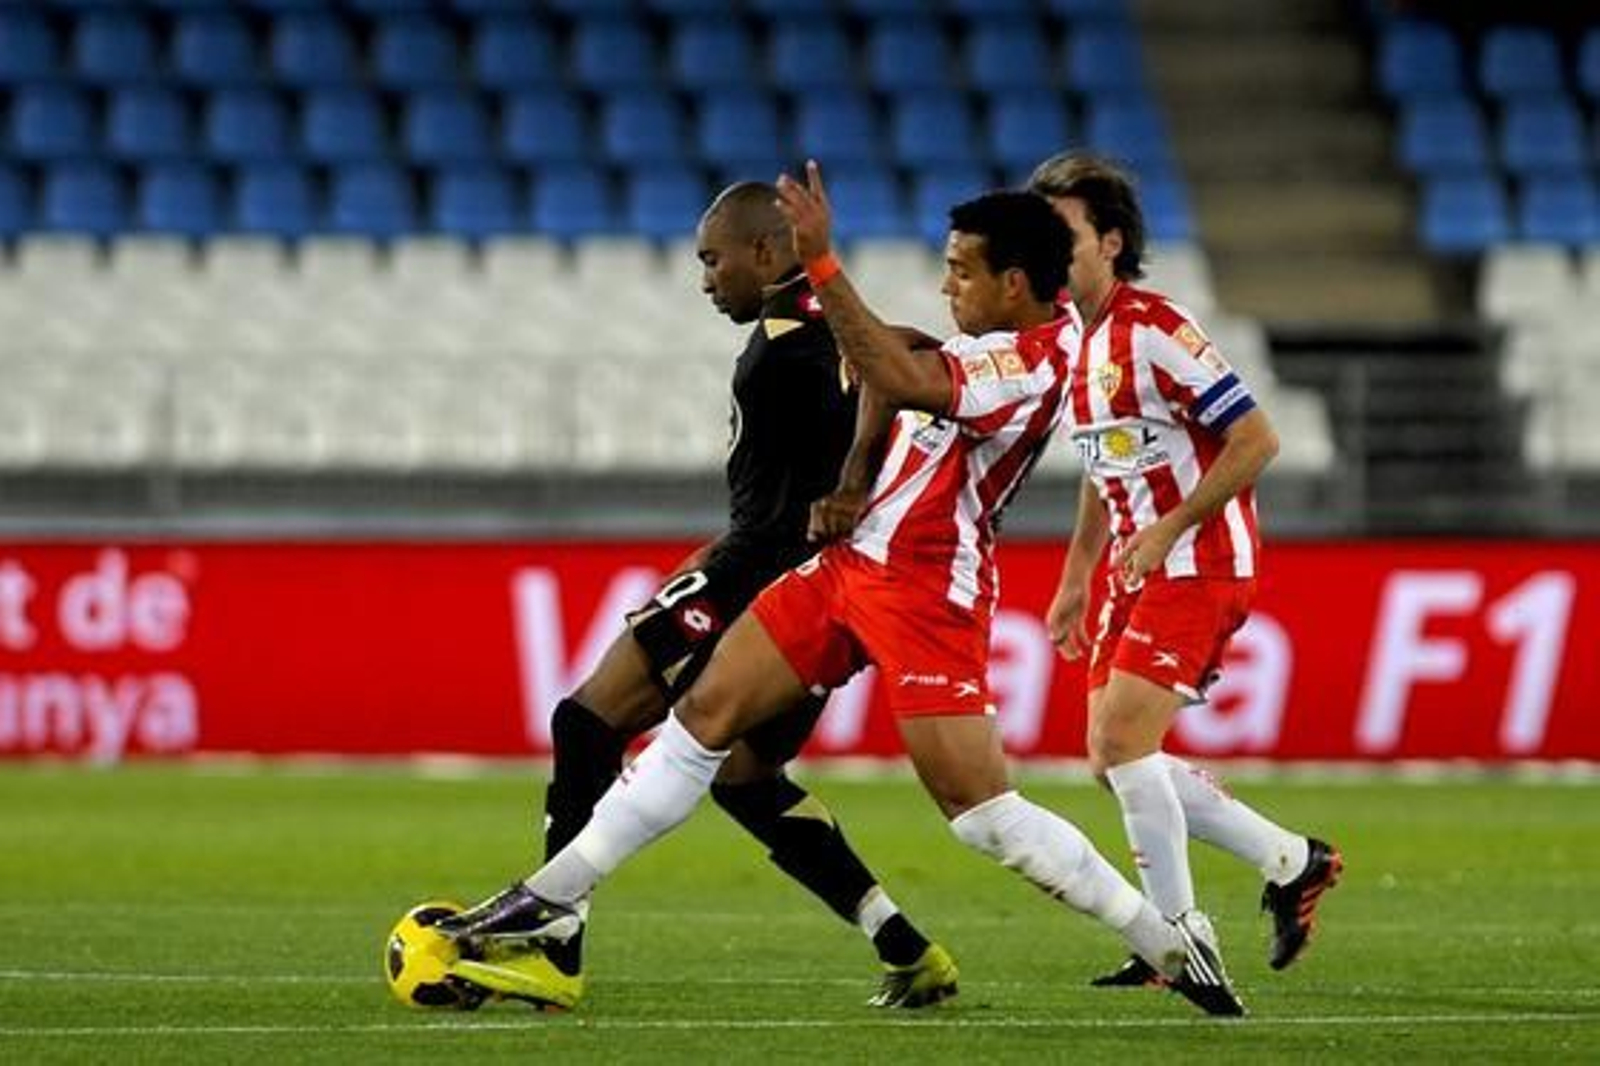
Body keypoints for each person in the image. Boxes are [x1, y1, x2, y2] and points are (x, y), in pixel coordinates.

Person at [439, 163, 1246, 1018]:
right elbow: (889, 366)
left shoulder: (1037, 363)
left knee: (983, 818)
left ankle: (1165, 940)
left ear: (1015, 284)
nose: (946, 284)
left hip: (927, 592)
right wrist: (857, 472)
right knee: (702, 722)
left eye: (961, 270)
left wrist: (823, 265)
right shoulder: (980, 342)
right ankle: (551, 899)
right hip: (847, 567)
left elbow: (902, 378)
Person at [451, 182, 955, 1011]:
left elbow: (796, 491)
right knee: (746, 778)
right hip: (820, 590)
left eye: (713, 259)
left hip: (761, 576)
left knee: (586, 721)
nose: (706, 278)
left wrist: (741, 556)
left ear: (767, 252)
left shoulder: (796, 346)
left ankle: (554, 941)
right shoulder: (848, 339)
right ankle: (906, 947)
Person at [1028, 151, 1343, 989]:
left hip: (1199, 561)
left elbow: (1257, 440)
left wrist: (1172, 525)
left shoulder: (1157, 330)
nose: (1047, 247)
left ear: (1111, 241)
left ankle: (1176, 938)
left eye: (1063, 232)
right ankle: (1289, 860)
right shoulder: (1076, 340)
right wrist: (1075, 577)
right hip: (1139, 569)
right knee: (1109, 759)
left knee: (1124, 742)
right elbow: (1108, 464)